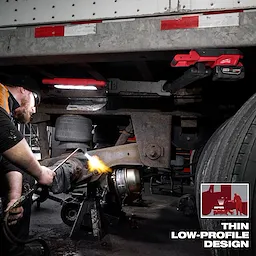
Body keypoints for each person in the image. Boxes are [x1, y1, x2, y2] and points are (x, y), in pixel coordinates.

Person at [0, 75, 56, 256]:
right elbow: (6, 137)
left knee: (26, 176)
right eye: (35, 100)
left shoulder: (6, 108)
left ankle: (14, 249)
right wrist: (40, 173)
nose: (34, 108)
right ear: (23, 89)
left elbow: (11, 160)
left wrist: (14, 198)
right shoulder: (0, 92)